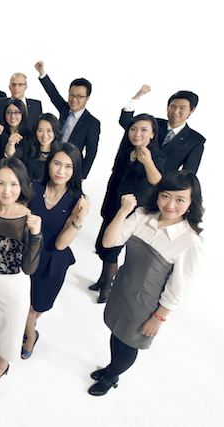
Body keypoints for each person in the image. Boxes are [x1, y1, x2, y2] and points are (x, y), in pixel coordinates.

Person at [88, 171, 204, 396]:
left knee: (129, 343)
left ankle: (112, 376)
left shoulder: (189, 242)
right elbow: (109, 242)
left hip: (146, 304)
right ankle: (111, 367)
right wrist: (123, 211)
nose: (170, 205)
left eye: (180, 199)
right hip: (123, 288)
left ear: (192, 203)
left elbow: (178, 287)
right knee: (117, 331)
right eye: (165, 196)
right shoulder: (142, 215)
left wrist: (158, 318)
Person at [0, 157, 42, 383]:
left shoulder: (27, 219)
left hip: (13, 286)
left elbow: (29, 268)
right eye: (0, 183)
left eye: (13, 184)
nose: (6, 190)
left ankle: (3, 363)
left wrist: (36, 235)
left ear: (22, 185)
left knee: (9, 327)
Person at [22, 144, 88, 359]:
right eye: (57, 163)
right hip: (28, 255)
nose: (61, 171)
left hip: (52, 261)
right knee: (26, 306)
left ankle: (29, 329)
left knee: (38, 307)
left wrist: (78, 219)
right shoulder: (33, 187)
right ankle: (30, 336)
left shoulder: (77, 200)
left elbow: (61, 244)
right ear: (48, 163)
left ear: (75, 171)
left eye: (68, 167)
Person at [92, 114, 166, 303]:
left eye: (144, 130)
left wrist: (147, 161)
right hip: (113, 203)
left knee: (113, 248)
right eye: (133, 129)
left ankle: (107, 288)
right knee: (103, 244)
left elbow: (157, 181)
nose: (137, 133)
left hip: (131, 209)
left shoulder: (155, 155)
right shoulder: (127, 149)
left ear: (152, 134)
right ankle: (102, 280)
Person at [34, 61, 101, 178]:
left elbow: (91, 152)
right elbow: (53, 93)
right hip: (52, 159)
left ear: (87, 98)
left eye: (79, 96)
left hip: (70, 166)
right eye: (71, 95)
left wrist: (82, 175)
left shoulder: (92, 123)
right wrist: (42, 73)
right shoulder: (64, 109)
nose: (74, 99)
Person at [119, 85, 205, 173]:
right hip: (131, 176)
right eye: (173, 106)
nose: (176, 111)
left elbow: (188, 173)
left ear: (192, 110)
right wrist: (137, 97)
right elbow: (125, 122)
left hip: (162, 181)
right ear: (167, 107)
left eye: (182, 108)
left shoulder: (195, 140)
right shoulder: (153, 124)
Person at [0, 72, 42, 138]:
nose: (16, 88)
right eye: (13, 84)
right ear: (9, 87)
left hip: (30, 142)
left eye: (20, 84)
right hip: (4, 142)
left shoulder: (36, 105)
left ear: (26, 86)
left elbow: (40, 127)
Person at [16, 113, 62, 182]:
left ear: (55, 132)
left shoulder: (60, 154)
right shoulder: (27, 150)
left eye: (49, 131)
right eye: (40, 130)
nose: (44, 135)